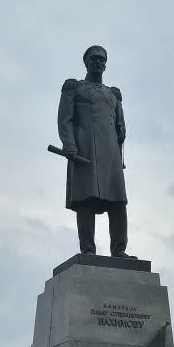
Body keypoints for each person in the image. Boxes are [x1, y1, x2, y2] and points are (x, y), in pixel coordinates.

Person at [57, 45, 131, 256]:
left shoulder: (113, 94)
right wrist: (69, 143)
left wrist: (122, 131)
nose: (98, 62)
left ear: (105, 64)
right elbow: (65, 118)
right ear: (87, 62)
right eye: (94, 59)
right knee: (86, 199)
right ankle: (88, 249)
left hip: (110, 154)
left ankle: (119, 250)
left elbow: (120, 123)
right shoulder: (74, 88)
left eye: (101, 59)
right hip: (85, 148)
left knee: (118, 201)